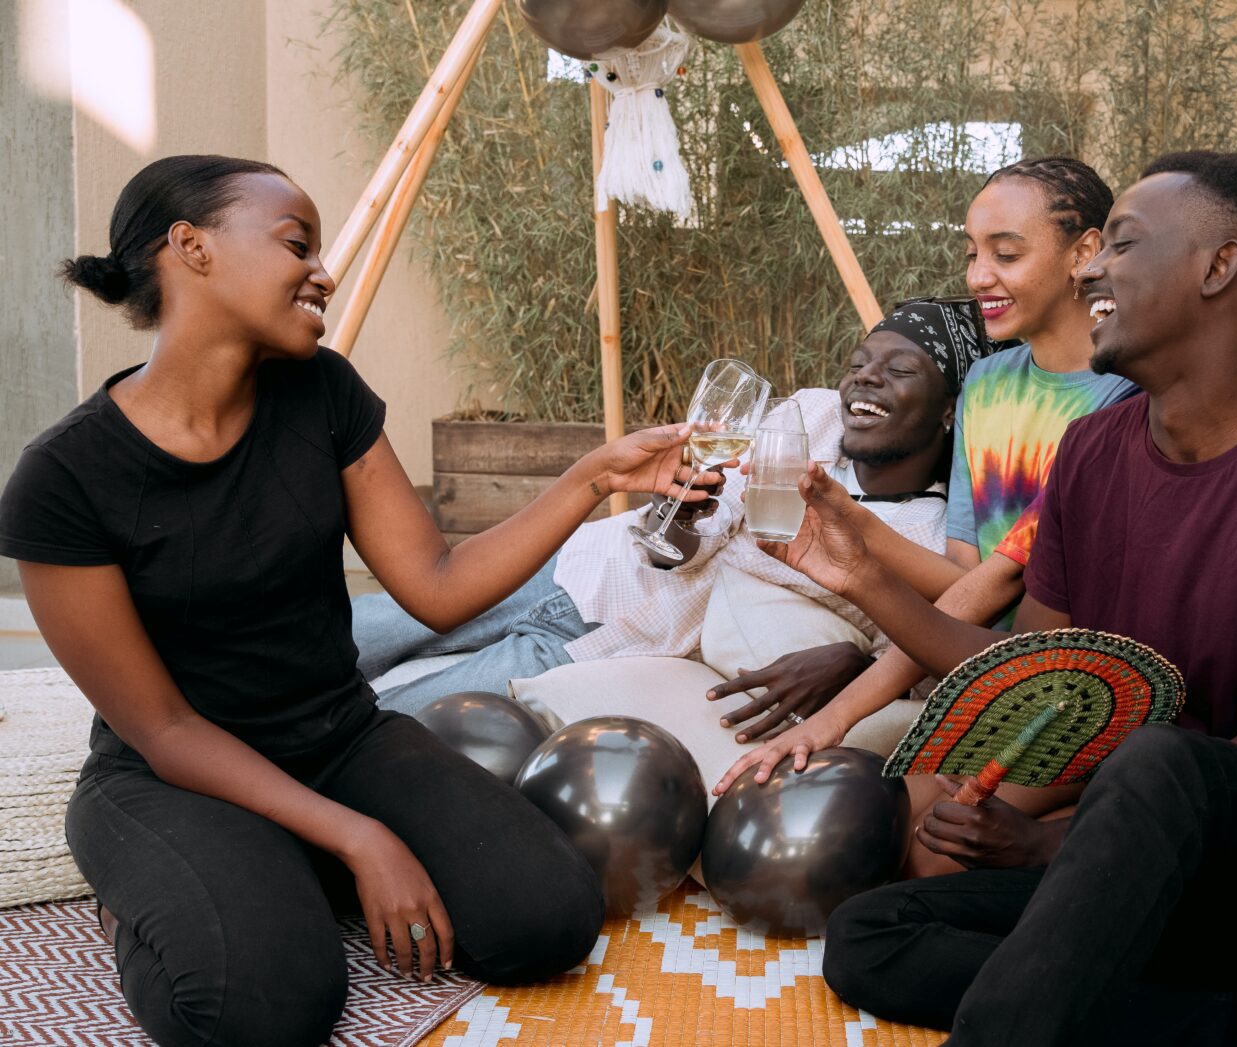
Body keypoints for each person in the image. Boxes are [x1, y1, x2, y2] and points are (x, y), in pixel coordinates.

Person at [755, 152, 1237, 1044]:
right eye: (1095, 248)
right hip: (1165, 861)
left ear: (1219, 267)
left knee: (1157, 761)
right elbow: (1041, 682)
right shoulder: (1095, 454)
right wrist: (865, 579)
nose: (1093, 267)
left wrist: (1055, 846)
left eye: (1124, 244)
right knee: (876, 932)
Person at [0, 155, 725, 1047]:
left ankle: (278, 870)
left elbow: (438, 587)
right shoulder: (65, 479)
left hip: (339, 736)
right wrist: (360, 838)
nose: (324, 271)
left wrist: (590, 480)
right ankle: (142, 903)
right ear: (189, 247)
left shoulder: (323, 394)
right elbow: (165, 730)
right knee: (265, 1006)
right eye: (296, 243)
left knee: (547, 917)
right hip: (173, 776)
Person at [716, 159, 1134, 875]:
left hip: (1068, 694)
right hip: (971, 675)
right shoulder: (987, 380)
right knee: (853, 831)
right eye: (972, 253)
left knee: (914, 856)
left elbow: (999, 586)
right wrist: (846, 518)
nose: (978, 276)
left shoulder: (1120, 402)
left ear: (1084, 254)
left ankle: (1084, 817)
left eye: (1006, 253)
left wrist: (835, 709)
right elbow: (965, 581)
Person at [352, 298, 988, 740]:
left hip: (609, 639)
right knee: (348, 633)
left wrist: (848, 661)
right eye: (857, 364)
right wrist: (681, 511)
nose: (863, 382)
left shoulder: (929, 537)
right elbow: (688, 537)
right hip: (579, 566)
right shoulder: (811, 418)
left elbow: (915, 647)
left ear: (949, 411)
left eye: (899, 371)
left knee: (389, 716)